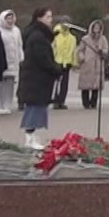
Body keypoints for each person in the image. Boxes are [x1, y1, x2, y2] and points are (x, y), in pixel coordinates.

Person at [17, 8, 63, 149]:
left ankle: (33, 135)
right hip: (36, 80)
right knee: (34, 108)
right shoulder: (37, 37)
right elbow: (42, 59)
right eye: (48, 17)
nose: (51, 20)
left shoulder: (39, 35)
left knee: (38, 108)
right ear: (39, 18)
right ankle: (29, 137)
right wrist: (56, 69)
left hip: (38, 79)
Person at [0, 10, 22, 115]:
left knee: (10, 85)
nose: (10, 21)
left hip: (13, 62)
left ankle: (7, 105)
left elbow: (19, 45)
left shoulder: (16, 30)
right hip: (1, 61)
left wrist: (21, 57)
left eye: (11, 18)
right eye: (8, 18)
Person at [77, 21, 109, 110]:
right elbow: (80, 50)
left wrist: (102, 52)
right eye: (95, 27)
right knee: (85, 85)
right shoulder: (85, 39)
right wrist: (82, 57)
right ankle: (86, 103)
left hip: (98, 64)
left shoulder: (103, 39)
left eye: (98, 27)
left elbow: (106, 50)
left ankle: (93, 103)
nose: (96, 29)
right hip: (87, 64)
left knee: (96, 85)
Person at [50, 16, 76, 110]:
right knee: (56, 83)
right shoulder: (55, 35)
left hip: (67, 63)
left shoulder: (72, 38)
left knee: (64, 83)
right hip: (57, 61)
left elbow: (73, 51)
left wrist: (73, 63)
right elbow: (52, 48)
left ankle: (62, 101)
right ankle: (55, 100)